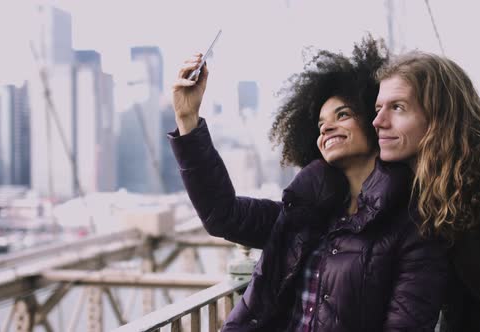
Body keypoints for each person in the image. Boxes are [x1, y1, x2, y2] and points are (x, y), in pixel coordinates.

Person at [170, 37, 448, 331]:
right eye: (320, 124)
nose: (327, 126)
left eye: (343, 115)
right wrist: (187, 119)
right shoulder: (301, 215)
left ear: (373, 122)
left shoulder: (415, 228)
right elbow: (222, 215)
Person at [373, 51, 480, 331]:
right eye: (378, 108)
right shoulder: (415, 187)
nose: (378, 121)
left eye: (397, 107)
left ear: (440, 114)